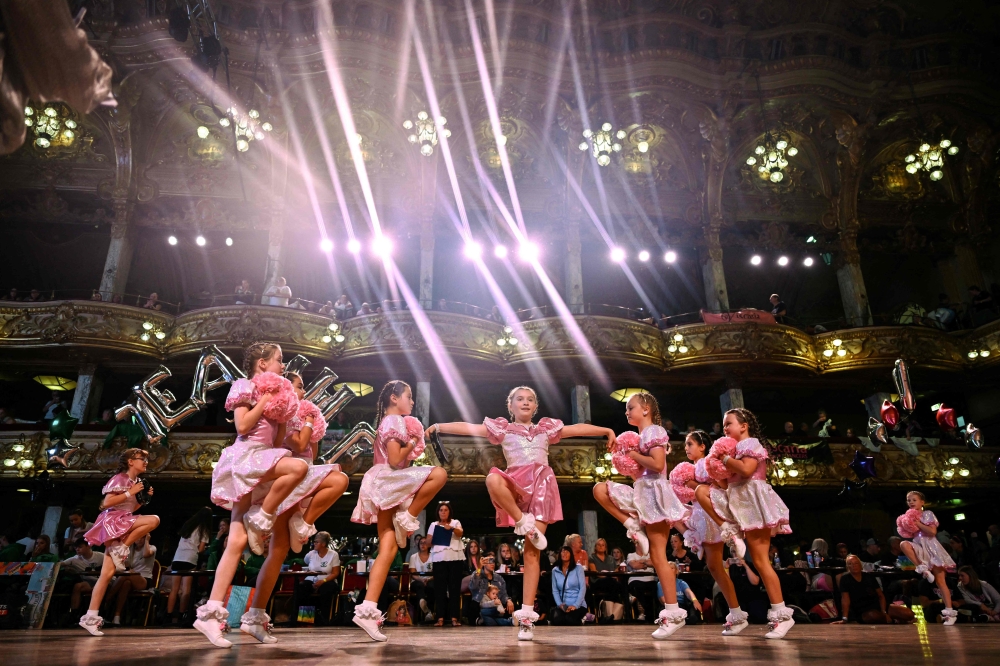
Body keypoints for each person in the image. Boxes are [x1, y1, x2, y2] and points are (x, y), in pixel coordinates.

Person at [427, 385, 616, 640]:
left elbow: (576, 429)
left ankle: (526, 617)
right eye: (520, 399)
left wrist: (605, 430)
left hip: (541, 486)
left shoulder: (545, 429)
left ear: (536, 406)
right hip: (515, 487)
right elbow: (470, 426)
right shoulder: (503, 428)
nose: (525, 403)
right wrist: (439, 426)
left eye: (530, 400)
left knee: (531, 553)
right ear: (511, 405)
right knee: (492, 480)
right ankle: (521, 520)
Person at [193, 342, 309, 648]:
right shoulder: (245, 386)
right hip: (246, 458)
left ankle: (210, 616)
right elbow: (243, 425)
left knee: (238, 540)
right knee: (296, 470)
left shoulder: (277, 394)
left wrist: (284, 414)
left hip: (265, 459)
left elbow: (281, 441)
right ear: (261, 363)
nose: (283, 366)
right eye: (279, 361)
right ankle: (210, 616)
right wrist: (266, 400)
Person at [236, 369, 350, 644]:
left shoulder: (303, 413)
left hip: (303, 478)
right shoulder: (287, 413)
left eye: (301, 387)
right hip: (288, 480)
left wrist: (313, 426)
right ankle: (254, 615)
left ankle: (255, 615)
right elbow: (296, 443)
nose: (301, 391)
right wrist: (309, 421)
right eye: (298, 386)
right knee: (338, 479)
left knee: (279, 552)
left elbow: (312, 452)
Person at [350, 380, 448, 642]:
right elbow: (394, 460)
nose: (412, 401)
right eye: (409, 396)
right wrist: (414, 439)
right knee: (438, 474)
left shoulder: (388, 421)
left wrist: (413, 442)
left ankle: (368, 609)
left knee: (389, 548)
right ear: (395, 398)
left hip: (385, 481)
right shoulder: (393, 421)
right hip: (389, 479)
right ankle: (409, 515)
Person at [592, 391, 691, 639]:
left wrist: (631, 455)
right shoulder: (642, 435)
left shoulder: (654, 432)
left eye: (630, 407)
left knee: (658, 556)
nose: (627, 412)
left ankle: (673, 613)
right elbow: (644, 470)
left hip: (655, 494)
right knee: (600, 489)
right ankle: (631, 524)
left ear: (646, 408)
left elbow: (657, 465)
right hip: (642, 491)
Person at [709, 408, 794, 639]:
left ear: (743, 426)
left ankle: (782, 615)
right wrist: (715, 466)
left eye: (729, 424)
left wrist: (724, 459)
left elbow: (747, 470)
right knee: (757, 560)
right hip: (740, 503)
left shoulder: (751, 444)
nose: (725, 428)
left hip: (753, 503)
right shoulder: (736, 450)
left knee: (760, 560)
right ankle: (779, 614)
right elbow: (728, 483)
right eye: (724, 424)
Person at [669, 430, 746, 634]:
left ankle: (737, 614)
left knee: (716, 567)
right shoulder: (693, 467)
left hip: (712, 510)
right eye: (686, 444)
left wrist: (694, 485)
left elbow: (721, 484)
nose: (686, 448)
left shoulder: (707, 462)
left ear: (702, 446)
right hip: (700, 513)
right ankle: (736, 613)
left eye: (690, 444)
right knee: (714, 567)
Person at [79, 448, 160, 635]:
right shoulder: (120, 478)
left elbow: (132, 506)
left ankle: (90, 617)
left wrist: (144, 498)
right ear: (131, 461)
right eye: (142, 459)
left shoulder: (137, 482)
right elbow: (106, 503)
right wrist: (130, 492)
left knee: (106, 575)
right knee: (154, 519)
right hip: (113, 520)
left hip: (124, 521)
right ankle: (123, 548)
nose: (146, 462)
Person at [897, 490, 958, 625]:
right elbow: (908, 535)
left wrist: (917, 522)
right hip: (919, 547)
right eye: (909, 500)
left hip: (932, 548)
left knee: (940, 582)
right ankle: (922, 567)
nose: (911, 502)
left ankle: (949, 613)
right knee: (903, 544)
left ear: (922, 502)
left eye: (914, 500)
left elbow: (932, 532)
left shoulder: (927, 514)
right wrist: (907, 523)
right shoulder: (908, 517)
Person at [165, 507, 212, 626]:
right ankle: (181, 616)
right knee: (186, 589)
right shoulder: (204, 529)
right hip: (190, 559)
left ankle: (168, 616)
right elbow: (200, 549)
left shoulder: (187, 525)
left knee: (174, 589)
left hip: (177, 558)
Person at [833, 554, 910, 624]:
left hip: (877, 605)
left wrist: (884, 611)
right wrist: (845, 618)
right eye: (850, 564)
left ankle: (890, 618)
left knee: (909, 614)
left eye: (856, 563)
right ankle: (894, 621)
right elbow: (845, 600)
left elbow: (880, 596)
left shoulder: (869, 576)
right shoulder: (845, 579)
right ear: (848, 567)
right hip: (862, 610)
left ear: (860, 565)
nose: (854, 565)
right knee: (872, 616)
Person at [426, 502, 465, 627]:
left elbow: (460, 533)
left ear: (449, 512)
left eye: (445, 510)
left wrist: (451, 528)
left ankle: (454, 618)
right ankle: (440, 618)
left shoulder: (456, 522)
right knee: (440, 589)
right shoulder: (433, 524)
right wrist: (435, 536)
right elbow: (427, 542)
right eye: (441, 510)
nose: (443, 512)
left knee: (454, 588)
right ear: (438, 512)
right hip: (439, 559)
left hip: (455, 559)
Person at [107, 534, 156, 626]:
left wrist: (147, 541)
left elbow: (146, 554)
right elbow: (125, 565)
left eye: (142, 537)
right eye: (137, 538)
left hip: (144, 579)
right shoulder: (131, 550)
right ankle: (116, 617)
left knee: (127, 575)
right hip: (130, 577)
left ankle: (107, 599)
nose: (139, 540)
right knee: (126, 583)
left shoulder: (151, 547)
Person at [294, 532, 341, 625]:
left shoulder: (333, 555)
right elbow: (306, 563)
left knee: (326, 589)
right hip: (311, 579)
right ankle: (305, 619)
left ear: (323, 544)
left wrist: (323, 581)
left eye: (316, 542)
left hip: (328, 580)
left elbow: (336, 573)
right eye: (314, 542)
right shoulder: (310, 554)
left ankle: (323, 620)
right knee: (303, 587)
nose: (314, 544)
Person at [59, 538, 104, 623]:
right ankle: (74, 615)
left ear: (88, 546)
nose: (77, 549)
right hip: (89, 583)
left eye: (80, 547)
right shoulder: (75, 559)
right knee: (78, 586)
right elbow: (60, 564)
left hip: (103, 583)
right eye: (76, 547)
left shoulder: (101, 556)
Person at [470, 553, 515, 625]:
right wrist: (479, 568)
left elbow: (503, 594)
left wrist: (508, 600)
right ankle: (507, 622)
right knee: (484, 613)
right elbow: (473, 587)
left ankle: (484, 621)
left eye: (493, 561)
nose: (492, 564)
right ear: (484, 563)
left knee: (497, 612)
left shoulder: (499, 578)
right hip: (480, 606)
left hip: (496, 607)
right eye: (489, 561)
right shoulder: (477, 574)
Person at [550, 546, 587, 625]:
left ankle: (585, 618)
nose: (564, 553)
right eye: (562, 551)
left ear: (571, 554)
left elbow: (583, 588)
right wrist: (560, 605)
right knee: (557, 620)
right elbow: (555, 590)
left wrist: (575, 605)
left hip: (578, 605)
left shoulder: (578, 568)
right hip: (563, 605)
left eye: (567, 551)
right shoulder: (555, 570)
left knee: (570, 620)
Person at [409, 534, 434, 622]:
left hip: (430, 579)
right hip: (417, 580)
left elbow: (435, 573)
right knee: (419, 585)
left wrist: (428, 579)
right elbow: (412, 573)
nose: (423, 545)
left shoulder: (433, 556)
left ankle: (430, 612)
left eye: (425, 543)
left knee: (432, 586)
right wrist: (421, 579)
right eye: (421, 543)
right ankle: (426, 610)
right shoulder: (413, 557)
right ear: (418, 545)